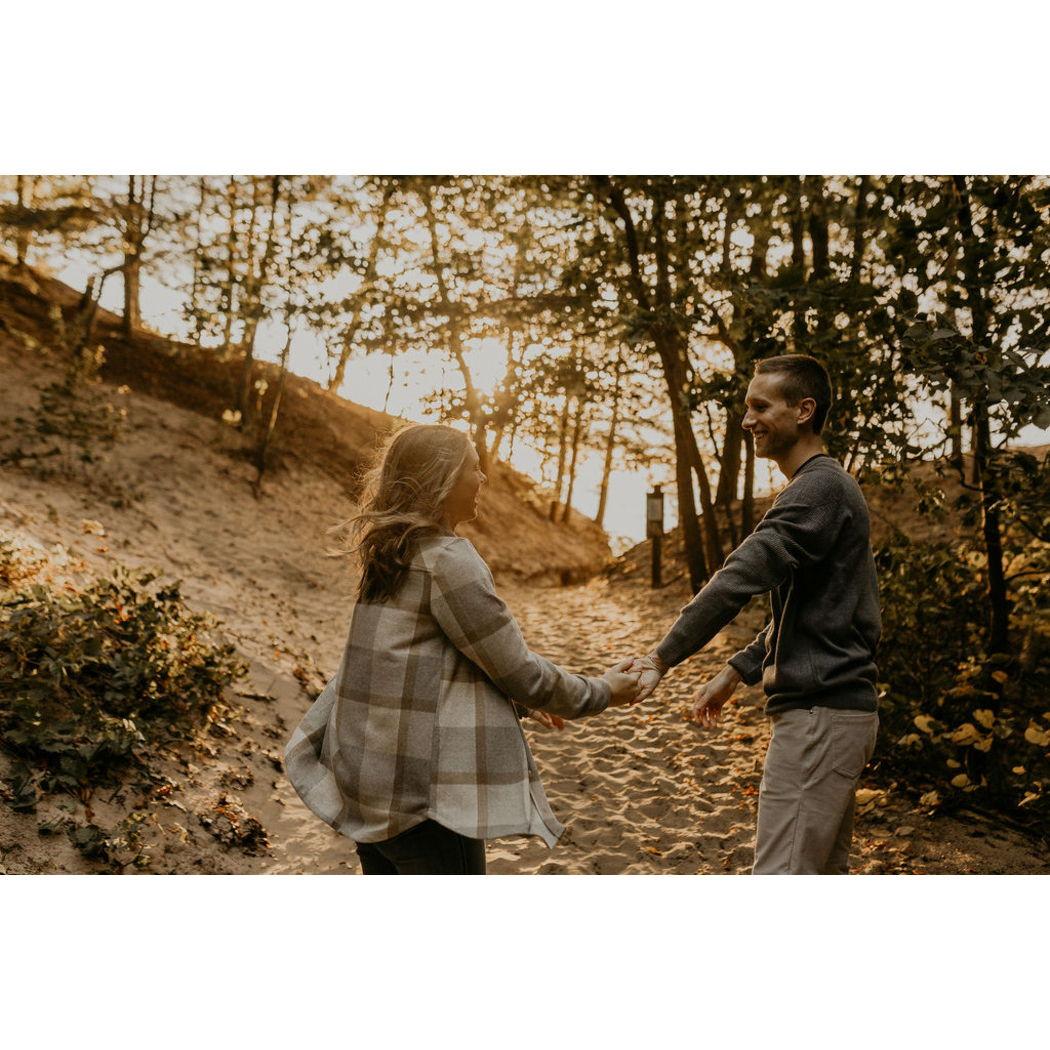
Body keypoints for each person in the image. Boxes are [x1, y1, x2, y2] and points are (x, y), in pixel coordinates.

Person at [285, 423, 640, 875]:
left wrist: (522, 703)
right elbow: (521, 672)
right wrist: (604, 691)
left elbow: (422, 665)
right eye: (474, 467)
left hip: (366, 784)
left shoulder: (391, 553)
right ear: (444, 477)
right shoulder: (449, 560)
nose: (483, 478)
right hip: (419, 803)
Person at [631, 355, 881, 875]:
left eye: (760, 407)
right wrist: (737, 669)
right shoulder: (823, 486)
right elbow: (806, 607)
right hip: (836, 715)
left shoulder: (818, 488)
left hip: (818, 718)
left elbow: (739, 577)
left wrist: (661, 657)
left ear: (804, 411)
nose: (747, 420)